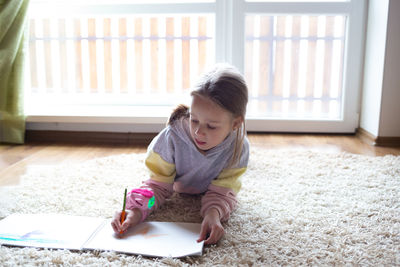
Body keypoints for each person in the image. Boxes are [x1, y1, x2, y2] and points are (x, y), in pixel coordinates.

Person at [111, 63, 250, 245]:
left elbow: (223, 193)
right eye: (194, 120)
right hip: (174, 186)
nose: (199, 132)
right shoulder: (169, 140)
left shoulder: (238, 148)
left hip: (213, 185)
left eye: (211, 126)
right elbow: (158, 189)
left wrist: (213, 214)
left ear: (236, 124)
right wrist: (137, 211)